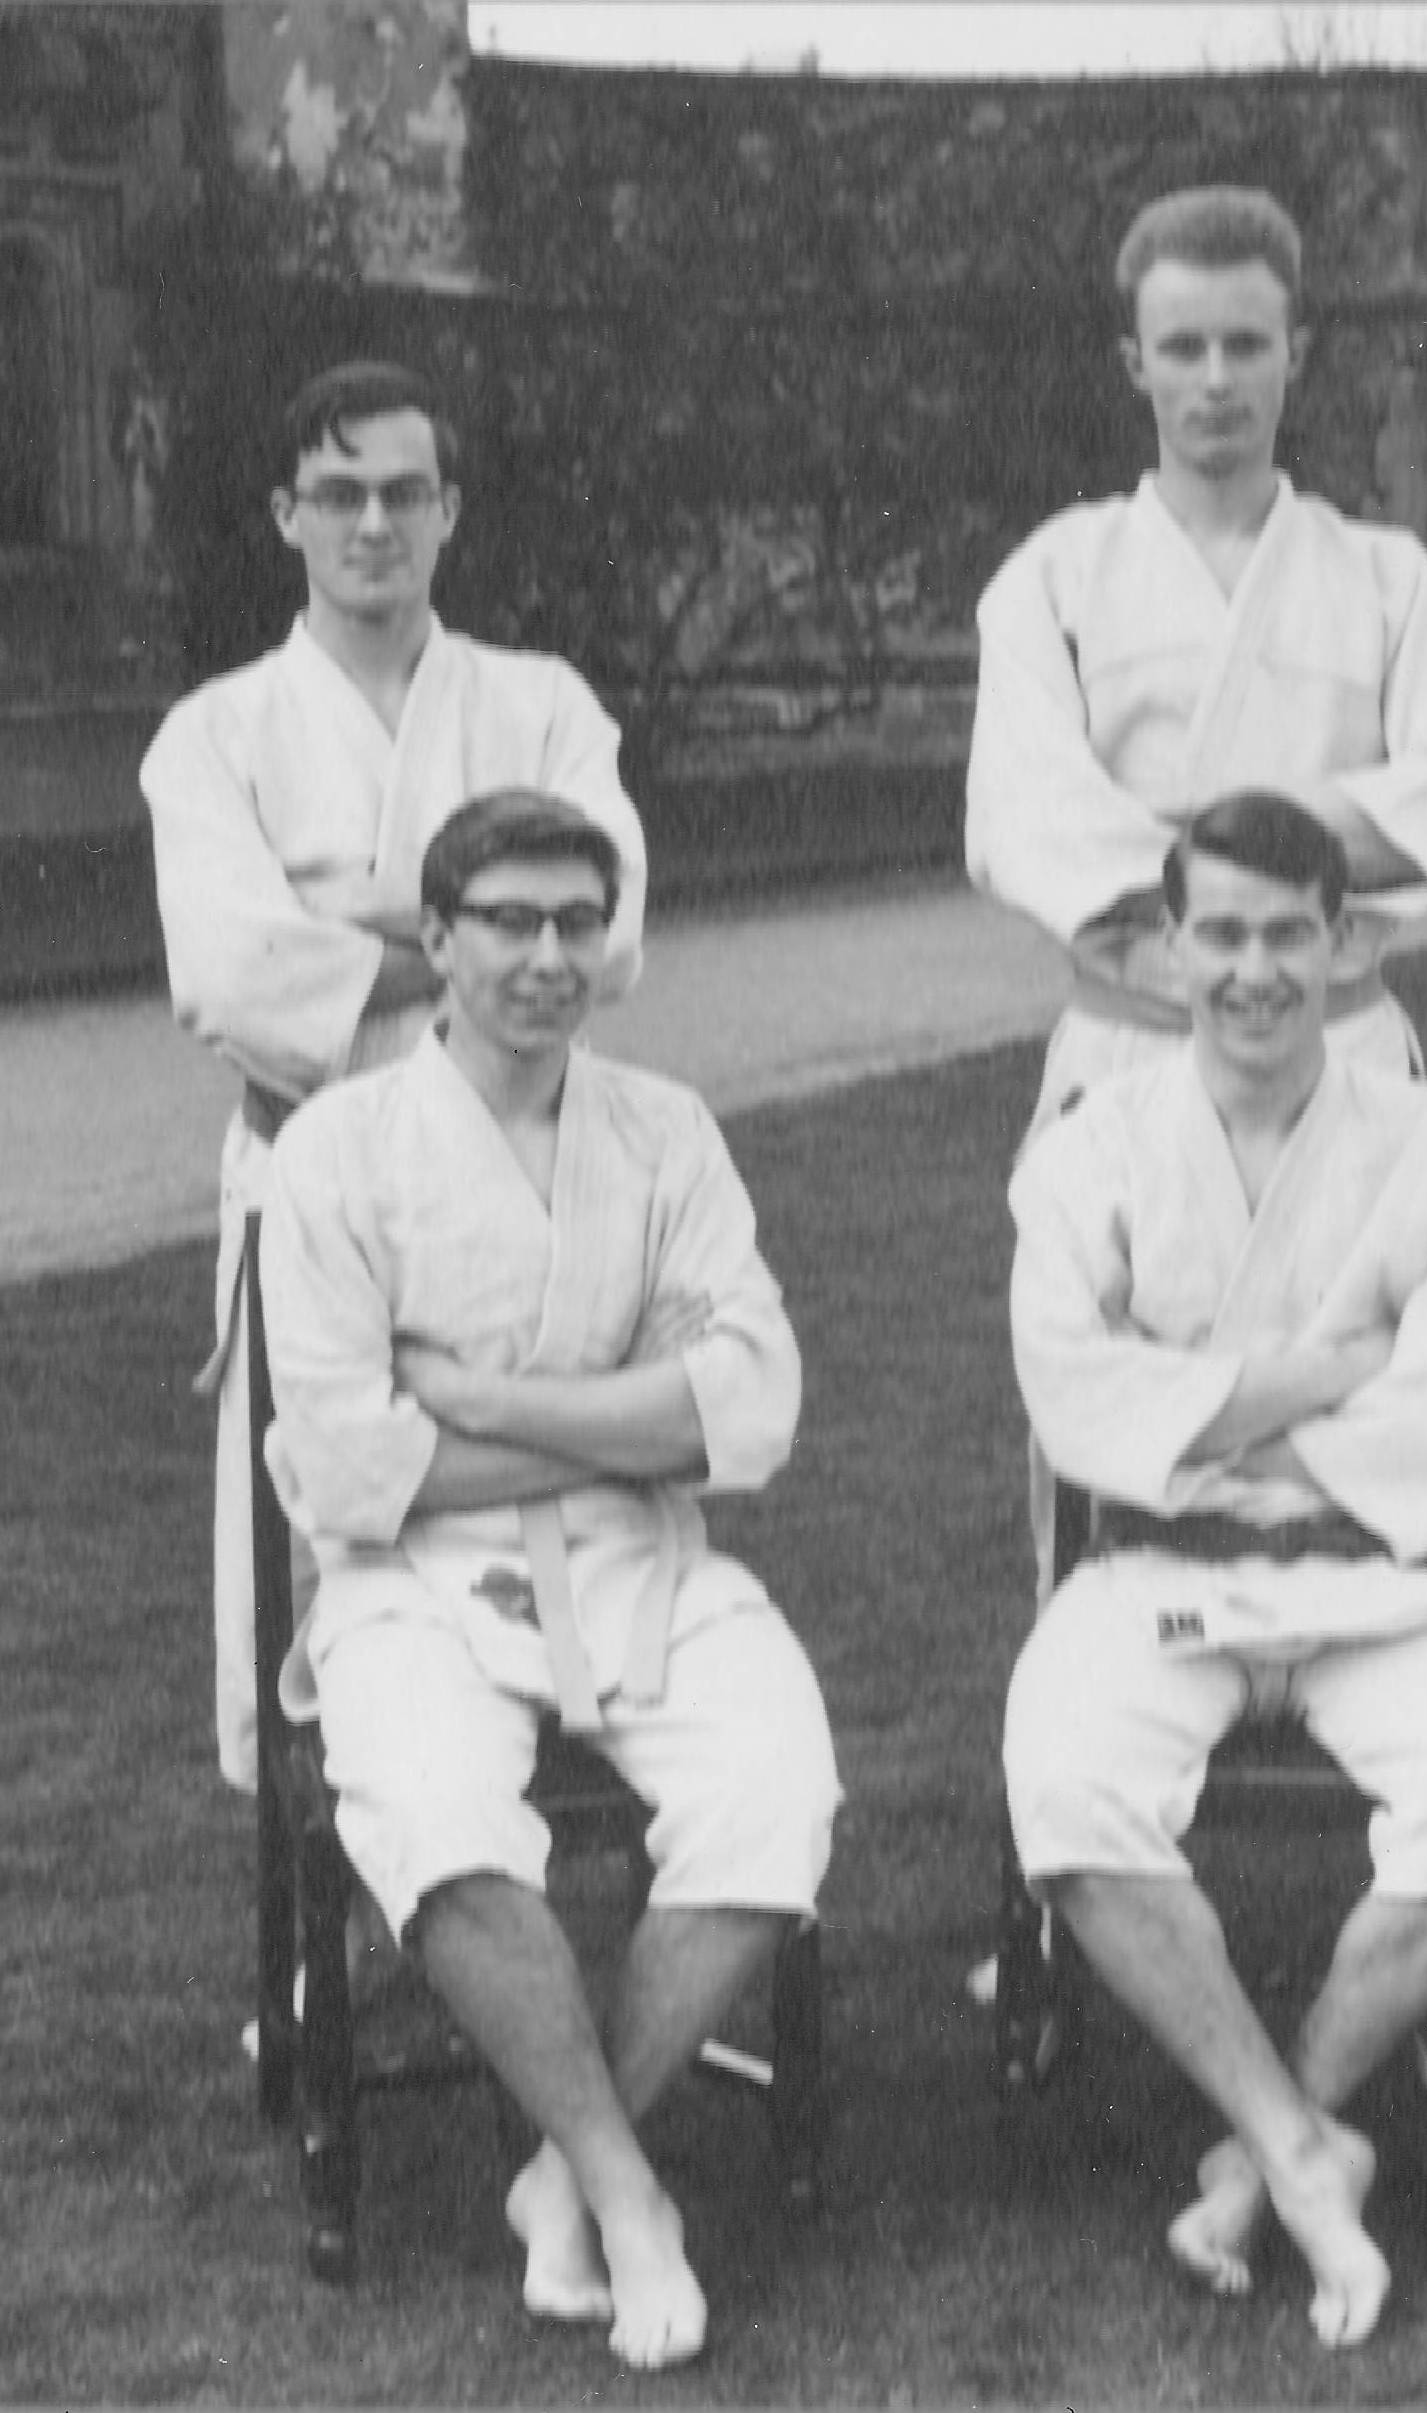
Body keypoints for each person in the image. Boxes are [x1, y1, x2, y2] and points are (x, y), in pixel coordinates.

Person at [260, 792, 837, 2371]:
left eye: (578, 921)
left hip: (643, 1564)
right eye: (507, 920)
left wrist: (496, 1406)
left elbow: (752, 1405)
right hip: (409, 1584)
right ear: (434, 940)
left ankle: (559, 2171)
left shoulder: (666, 1133)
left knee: (776, 1792)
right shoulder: (337, 1153)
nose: (545, 955)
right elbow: (349, 1464)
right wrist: (629, 1429)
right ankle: (626, 2193)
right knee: (439, 1823)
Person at [1001, 791, 1427, 2352]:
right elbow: (1083, 1411)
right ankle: (1305, 2144)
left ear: (1345, 939)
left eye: (1285, 933)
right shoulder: (1082, 1156)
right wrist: (1329, 1373)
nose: (1252, 969)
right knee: (1065, 1784)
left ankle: (1266, 2145)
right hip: (1148, 1576)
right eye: (1221, 933)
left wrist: (1204, 1413)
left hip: (1378, 1575)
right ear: (1166, 946)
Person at [143, 359, 648, 1794]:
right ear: (285, 515)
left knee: (535, 1511)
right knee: (313, 1529)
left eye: (405, 492)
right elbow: (230, 975)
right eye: (340, 492)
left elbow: (607, 933)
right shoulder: (216, 736)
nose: (375, 522)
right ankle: (322, 1945)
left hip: (518, 1174)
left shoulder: (540, 705)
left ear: (450, 513)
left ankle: (510, 1872)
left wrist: (365, 915)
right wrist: (488, 935)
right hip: (309, 1168)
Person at [966, 183, 1427, 1129]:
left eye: (1246, 344)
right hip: (1129, 1062)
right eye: (1182, 347)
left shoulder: (1389, 582)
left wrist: (1170, 840)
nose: (1216, 379)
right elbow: (1032, 826)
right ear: (1135, 362)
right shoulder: (1051, 580)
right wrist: (1315, 849)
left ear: (1297, 351)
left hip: (1344, 1067)